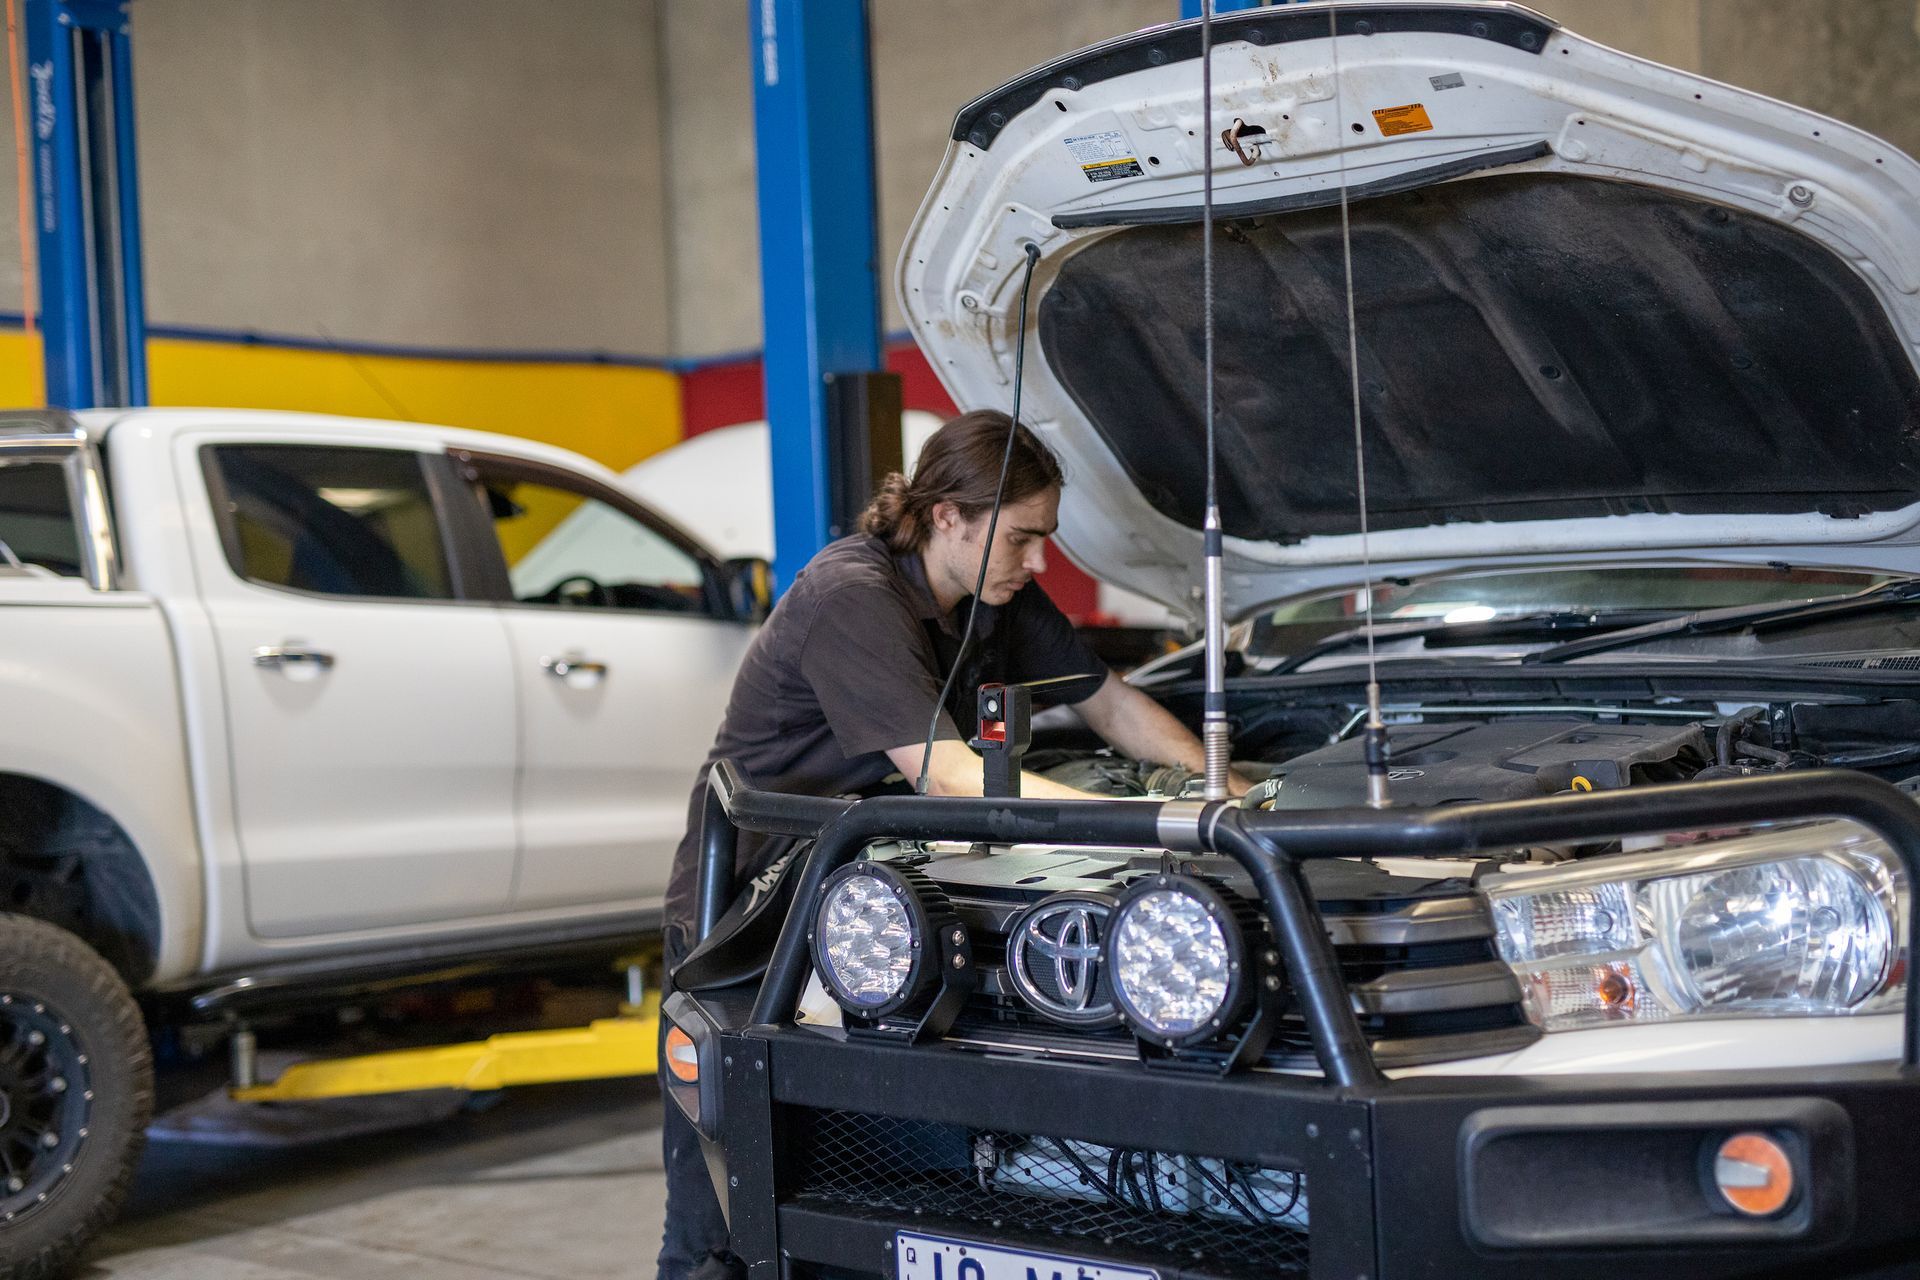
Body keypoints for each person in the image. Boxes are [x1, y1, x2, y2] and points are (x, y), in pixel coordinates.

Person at [654, 409, 1241, 1280]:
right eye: (1023, 539)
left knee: (888, 1178)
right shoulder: (851, 595)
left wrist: (1220, 788)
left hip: (877, 915)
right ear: (947, 516)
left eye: (1044, 540)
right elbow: (948, 778)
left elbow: (1108, 703)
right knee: (726, 1223)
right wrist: (1141, 826)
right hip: (751, 921)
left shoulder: (991, 595)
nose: (1038, 563)